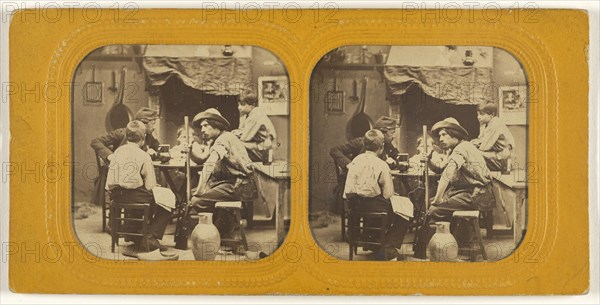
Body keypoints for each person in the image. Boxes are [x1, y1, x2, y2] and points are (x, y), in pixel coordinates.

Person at [413, 118, 495, 259]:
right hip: (468, 192)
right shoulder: (458, 148)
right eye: (439, 136)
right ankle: (448, 247)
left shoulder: (462, 149)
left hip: (476, 194)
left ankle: (425, 253)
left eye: (445, 134)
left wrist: (439, 199)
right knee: (433, 205)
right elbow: (441, 169)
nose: (441, 138)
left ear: (455, 135)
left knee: (434, 210)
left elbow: (448, 172)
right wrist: (429, 161)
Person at [343, 129, 411, 261]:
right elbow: (387, 194)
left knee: (377, 202)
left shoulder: (355, 160)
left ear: (364, 144)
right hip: (373, 206)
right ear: (382, 147)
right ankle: (388, 247)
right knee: (406, 209)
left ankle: (373, 243)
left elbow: (349, 188)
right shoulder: (382, 164)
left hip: (353, 206)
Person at [105, 121, 172, 252]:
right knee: (168, 199)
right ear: (143, 138)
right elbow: (150, 185)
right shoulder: (144, 155)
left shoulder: (118, 152)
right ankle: (151, 236)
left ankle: (133, 233)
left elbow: (110, 181)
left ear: (127, 135)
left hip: (116, 196)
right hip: (135, 197)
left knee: (138, 194)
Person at [190, 108, 255, 239]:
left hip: (238, 185)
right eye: (201, 126)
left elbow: (209, 164)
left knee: (196, 201)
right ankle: (223, 234)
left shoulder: (223, 140)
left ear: (216, 125)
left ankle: (218, 234)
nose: (202, 129)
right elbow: (202, 159)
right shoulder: (217, 139)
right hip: (231, 183)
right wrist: (190, 151)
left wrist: (200, 189)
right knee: (200, 196)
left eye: (206, 125)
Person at [90, 107, 160, 206]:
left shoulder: (148, 135)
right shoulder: (122, 133)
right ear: (144, 123)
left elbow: (159, 148)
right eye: (153, 123)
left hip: (137, 181)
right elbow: (95, 142)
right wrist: (110, 156)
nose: (155, 127)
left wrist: (155, 153)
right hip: (118, 179)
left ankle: (135, 217)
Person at [330, 116, 400, 171]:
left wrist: (397, 159)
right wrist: (349, 164)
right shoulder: (361, 142)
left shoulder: (387, 144)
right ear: (383, 133)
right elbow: (334, 150)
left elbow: (396, 155)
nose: (394, 136)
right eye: (392, 133)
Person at [231, 94, 277, 162]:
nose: (239, 107)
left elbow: (244, 138)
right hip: (259, 146)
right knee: (233, 142)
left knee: (234, 143)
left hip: (265, 150)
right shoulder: (245, 116)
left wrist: (233, 134)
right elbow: (241, 130)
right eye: (238, 105)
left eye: (242, 105)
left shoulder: (255, 114)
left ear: (252, 105)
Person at [471, 103, 516, 172]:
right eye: (478, 114)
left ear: (492, 115)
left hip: (504, 160)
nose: (478, 117)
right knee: (471, 151)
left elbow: (484, 147)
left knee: (471, 152)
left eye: (481, 114)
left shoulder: (495, 124)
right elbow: (480, 140)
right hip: (498, 155)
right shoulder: (486, 124)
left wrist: (472, 145)